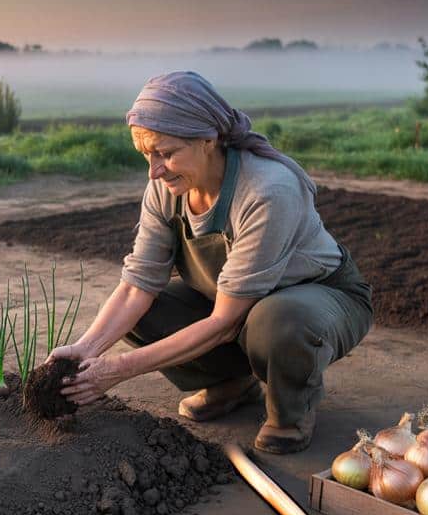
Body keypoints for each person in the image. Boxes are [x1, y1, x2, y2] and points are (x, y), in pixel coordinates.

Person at [51, 71, 372, 453]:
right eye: (146, 156)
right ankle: (232, 384)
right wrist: (86, 349)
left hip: (319, 300)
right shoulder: (166, 188)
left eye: (166, 154)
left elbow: (224, 323)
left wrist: (119, 370)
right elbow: (137, 285)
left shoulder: (267, 191)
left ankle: (292, 412)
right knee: (142, 313)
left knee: (276, 321)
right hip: (234, 306)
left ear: (207, 139)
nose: (154, 171)